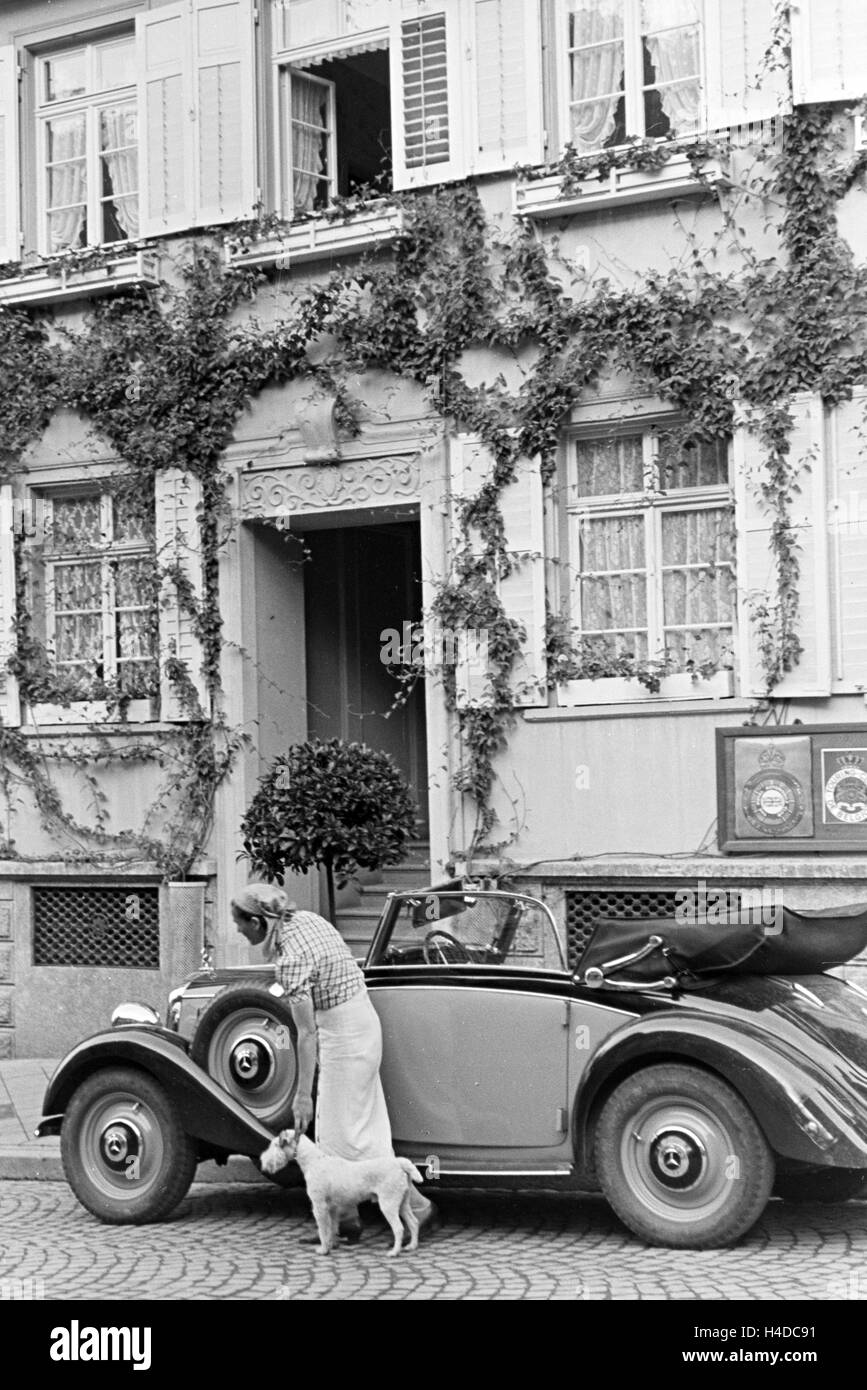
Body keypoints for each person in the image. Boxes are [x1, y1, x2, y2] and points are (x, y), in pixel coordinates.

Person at [231, 882, 437, 1243]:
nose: (237, 930)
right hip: (361, 1023)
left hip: (344, 1035)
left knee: (343, 1134)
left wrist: (301, 1095)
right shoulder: (308, 921)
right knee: (357, 1127)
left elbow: (306, 1033)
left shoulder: (291, 957)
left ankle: (416, 1206)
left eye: (241, 923)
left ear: (259, 922)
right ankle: (347, 1221)